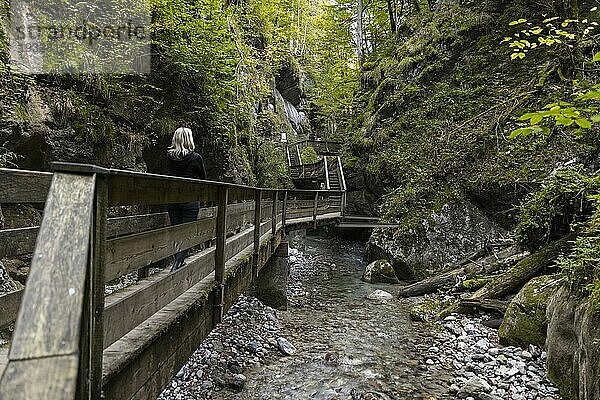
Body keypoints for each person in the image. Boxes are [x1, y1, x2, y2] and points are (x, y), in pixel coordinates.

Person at [167, 127, 207, 272]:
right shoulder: (196, 158)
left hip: (172, 200)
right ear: (189, 139)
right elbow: (204, 179)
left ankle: (177, 262)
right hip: (190, 200)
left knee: (176, 231)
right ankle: (177, 264)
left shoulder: (169, 157)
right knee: (187, 232)